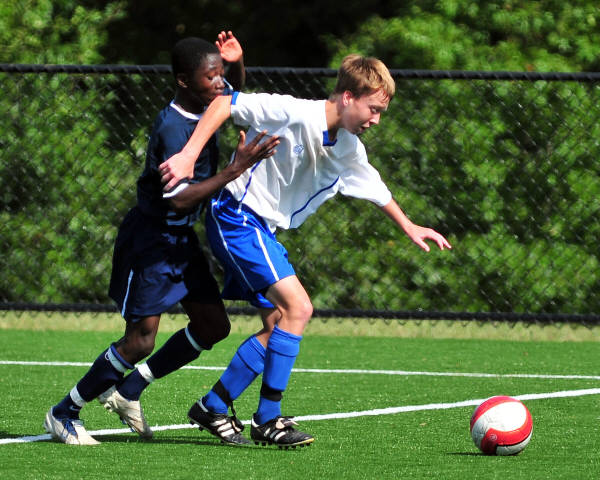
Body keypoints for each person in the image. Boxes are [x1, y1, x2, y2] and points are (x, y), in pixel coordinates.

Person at [159, 54, 452, 448]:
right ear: (348, 97)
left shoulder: (347, 146)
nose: (377, 120)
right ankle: (267, 419)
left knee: (277, 324)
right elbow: (225, 103)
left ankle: (212, 407)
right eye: (374, 109)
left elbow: (375, 188)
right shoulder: (293, 112)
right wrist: (189, 155)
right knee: (298, 308)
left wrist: (409, 226)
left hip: (261, 228)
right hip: (236, 217)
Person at [43, 32, 279, 446]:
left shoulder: (208, 104)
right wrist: (234, 170)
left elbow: (235, 97)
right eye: (211, 77)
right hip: (151, 242)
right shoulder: (172, 127)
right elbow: (179, 200)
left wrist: (237, 63)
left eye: (221, 74)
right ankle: (64, 412)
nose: (220, 83)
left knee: (213, 325)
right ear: (184, 81)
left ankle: (129, 390)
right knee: (140, 341)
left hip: (181, 241)